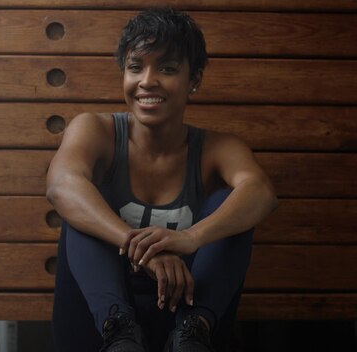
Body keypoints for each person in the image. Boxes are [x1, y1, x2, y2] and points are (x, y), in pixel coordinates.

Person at [46, 7, 278, 352]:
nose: (147, 81)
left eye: (167, 68)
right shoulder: (94, 129)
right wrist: (144, 250)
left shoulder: (217, 147)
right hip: (100, 325)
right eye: (135, 67)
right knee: (82, 200)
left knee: (231, 203)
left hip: (179, 315)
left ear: (194, 80)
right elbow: (61, 185)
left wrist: (189, 238)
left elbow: (262, 193)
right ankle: (119, 330)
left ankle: (195, 332)